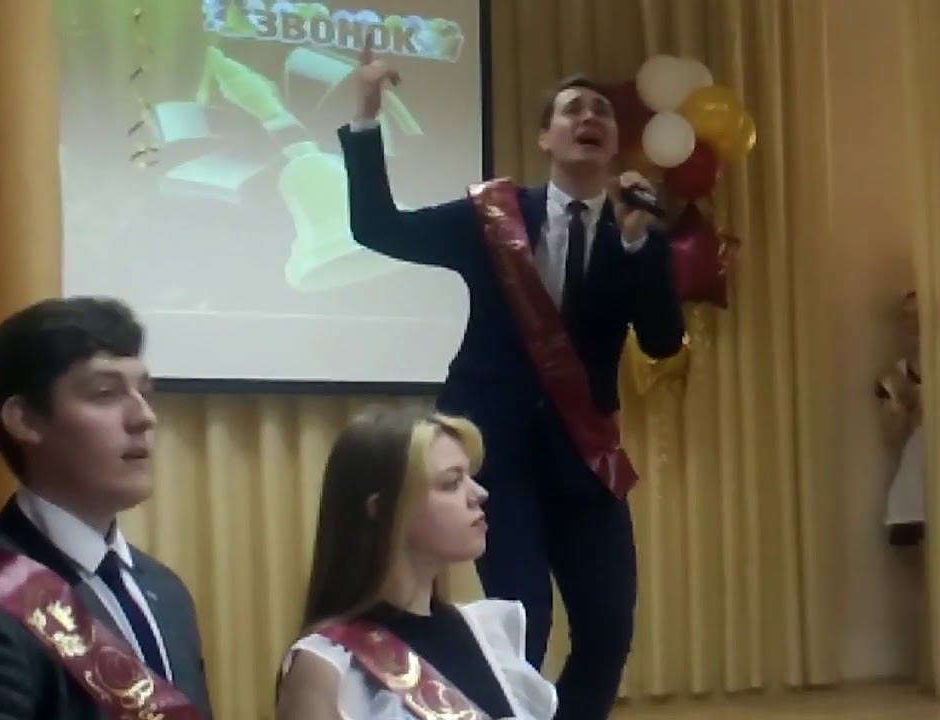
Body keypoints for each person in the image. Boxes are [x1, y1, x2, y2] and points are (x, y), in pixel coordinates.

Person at [339, 47, 685, 718]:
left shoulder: (638, 232)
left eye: (602, 111)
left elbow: (664, 341)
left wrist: (639, 245)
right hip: (498, 458)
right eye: (572, 109)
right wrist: (367, 111)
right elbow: (377, 226)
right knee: (524, 626)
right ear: (545, 137)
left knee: (609, 627)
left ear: (615, 140)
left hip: (587, 461)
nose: (589, 117)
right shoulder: (492, 218)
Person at [0, 297, 214, 719]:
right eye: (105, 394)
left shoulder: (166, 591)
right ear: (24, 419)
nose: (144, 418)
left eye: (145, 393)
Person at [276, 408, 556, 719]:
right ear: (384, 510)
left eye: (470, 478)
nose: (479, 493)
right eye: (451, 483)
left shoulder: (486, 634)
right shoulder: (326, 666)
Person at [876, 290, 925, 546]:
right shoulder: (895, 376)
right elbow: (892, 440)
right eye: (906, 316)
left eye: (919, 315)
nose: (913, 323)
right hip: (913, 494)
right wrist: (902, 405)